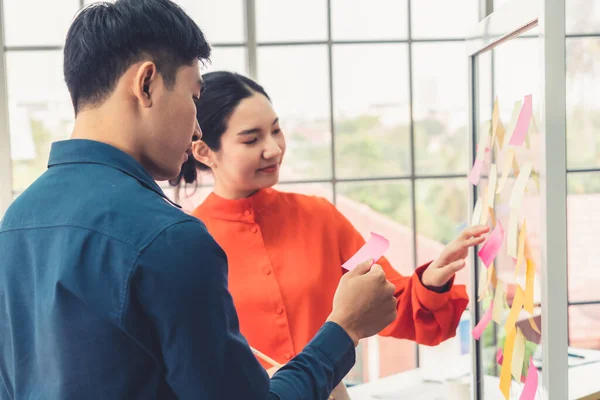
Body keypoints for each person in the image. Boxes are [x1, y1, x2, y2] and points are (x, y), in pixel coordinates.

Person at [0, 1, 400, 399]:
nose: (195, 127)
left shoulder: (15, 222)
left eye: (275, 131)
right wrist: (343, 329)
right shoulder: (168, 236)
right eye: (194, 97)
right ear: (146, 84)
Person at [173, 71, 490, 377]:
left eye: (276, 130)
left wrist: (431, 282)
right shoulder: (189, 242)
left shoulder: (320, 217)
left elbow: (390, 300)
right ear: (204, 152)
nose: (273, 149)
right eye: (252, 139)